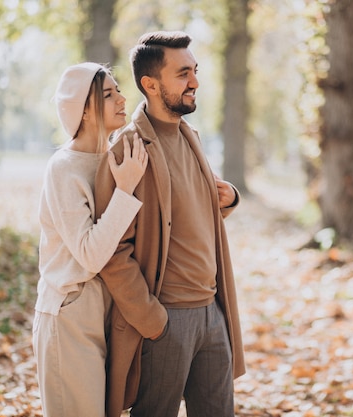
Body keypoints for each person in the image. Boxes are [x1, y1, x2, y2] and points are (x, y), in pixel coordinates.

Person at [94, 31, 246, 417]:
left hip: (213, 312)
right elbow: (112, 248)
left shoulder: (191, 137)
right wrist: (153, 320)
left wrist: (227, 200)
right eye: (183, 74)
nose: (195, 81)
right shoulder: (126, 149)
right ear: (150, 83)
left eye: (195, 71)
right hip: (166, 320)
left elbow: (183, 215)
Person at [32, 62, 149, 417]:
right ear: (82, 109)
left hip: (110, 311)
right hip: (70, 312)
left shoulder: (117, 156)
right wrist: (125, 190)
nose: (121, 98)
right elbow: (88, 255)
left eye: (118, 90)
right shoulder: (64, 168)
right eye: (108, 94)